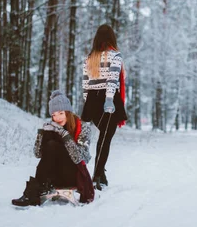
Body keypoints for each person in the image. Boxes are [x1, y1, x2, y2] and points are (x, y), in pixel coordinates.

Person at [11, 91, 95, 206]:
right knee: (49, 140)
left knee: (52, 145)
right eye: (54, 115)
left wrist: (64, 135)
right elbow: (38, 154)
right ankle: (37, 189)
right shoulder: (53, 127)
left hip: (74, 175)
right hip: (53, 176)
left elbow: (81, 158)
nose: (58, 118)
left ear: (68, 112)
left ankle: (33, 193)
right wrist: (41, 134)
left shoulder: (83, 128)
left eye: (61, 113)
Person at [81, 24, 127, 190]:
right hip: (108, 99)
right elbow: (112, 80)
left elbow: (85, 83)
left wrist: (88, 102)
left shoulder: (90, 58)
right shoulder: (115, 56)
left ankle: (101, 173)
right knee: (105, 139)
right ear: (112, 38)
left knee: (104, 136)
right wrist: (109, 100)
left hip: (92, 99)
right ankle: (97, 176)